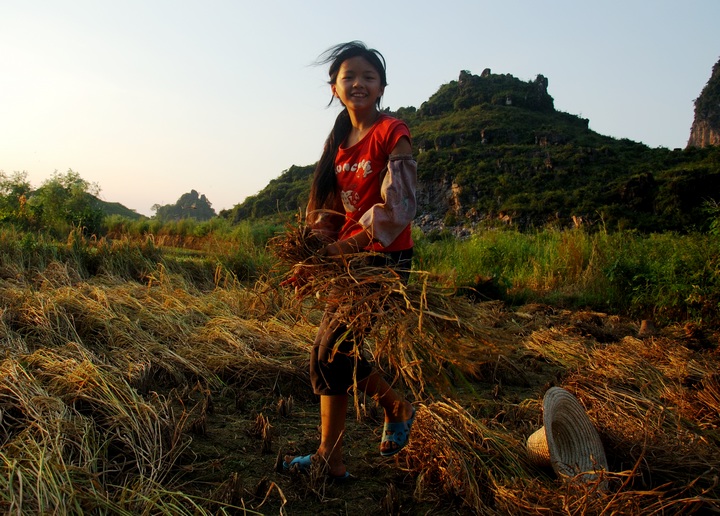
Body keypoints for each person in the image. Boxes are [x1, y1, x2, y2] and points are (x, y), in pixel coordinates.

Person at [283, 41, 417, 480]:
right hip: (348, 263)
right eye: (349, 77)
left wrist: (345, 249)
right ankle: (333, 457)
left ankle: (390, 409)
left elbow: (399, 207)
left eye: (369, 77)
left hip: (384, 262)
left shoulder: (392, 132)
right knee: (330, 355)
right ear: (335, 88)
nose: (359, 83)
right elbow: (328, 213)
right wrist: (313, 255)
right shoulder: (339, 142)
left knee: (333, 353)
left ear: (381, 87)